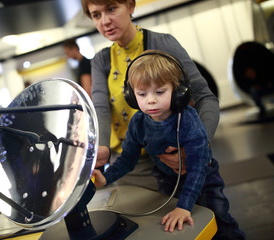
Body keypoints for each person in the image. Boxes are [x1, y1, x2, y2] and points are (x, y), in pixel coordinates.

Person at [92, 50, 245, 238]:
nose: (151, 100)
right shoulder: (139, 122)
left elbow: (198, 167)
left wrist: (184, 206)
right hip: (168, 181)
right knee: (184, 230)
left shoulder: (188, 119)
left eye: (159, 92)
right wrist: (106, 178)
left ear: (178, 91)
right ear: (132, 96)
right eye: (141, 94)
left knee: (221, 224)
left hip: (203, 180)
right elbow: (127, 159)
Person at [81, 0, 219, 190]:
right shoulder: (101, 60)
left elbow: (205, 98)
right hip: (129, 165)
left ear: (130, 6)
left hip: (174, 158)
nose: (105, 21)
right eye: (96, 15)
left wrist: (201, 146)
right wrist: (102, 146)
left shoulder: (163, 44)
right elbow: (101, 108)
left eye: (111, 9)